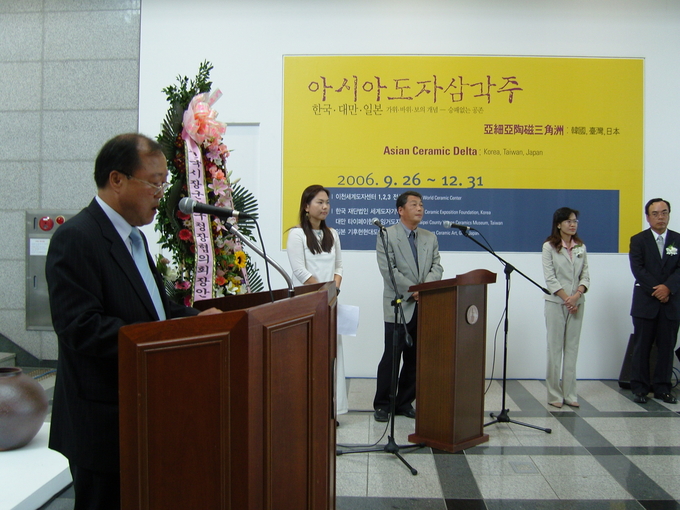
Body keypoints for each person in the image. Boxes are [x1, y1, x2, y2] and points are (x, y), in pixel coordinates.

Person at [45, 133, 221, 509]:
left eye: (164, 184)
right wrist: (172, 334)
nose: (161, 194)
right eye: (154, 183)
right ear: (117, 180)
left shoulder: (134, 239)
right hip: (104, 423)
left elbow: (157, 309)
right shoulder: (76, 238)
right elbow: (82, 328)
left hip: (143, 411)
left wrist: (199, 321)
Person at [373, 191, 443, 422]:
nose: (420, 208)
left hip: (425, 305)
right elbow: (389, 270)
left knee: (416, 359)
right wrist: (414, 290)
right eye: (414, 204)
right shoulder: (387, 235)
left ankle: (404, 402)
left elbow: (437, 267)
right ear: (400, 210)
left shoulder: (430, 237)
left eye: (421, 205)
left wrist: (426, 289)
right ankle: (383, 404)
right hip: (399, 305)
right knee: (392, 357)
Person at [286, 184, 348, 416]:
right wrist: (323, 291)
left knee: (332, 353)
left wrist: (334, 290)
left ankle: (332, 408)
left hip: (329, 301)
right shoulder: (297, 234)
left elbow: (339, 266)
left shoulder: (333, 234)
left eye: (327, 203)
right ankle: (308, 409)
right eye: (319, 202)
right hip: (307, 302)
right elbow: (300, 271)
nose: (325, 207)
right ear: (306, 206)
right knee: (308, 355)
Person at [629, 198, 680, 404]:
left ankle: (663, 388)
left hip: (671, 302)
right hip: (646, 303)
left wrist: (668, 288)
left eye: (664, 213)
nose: (661, 217)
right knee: (642, 347)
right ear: (648, 217)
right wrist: (658, 289)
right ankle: (640, 388)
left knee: (667, 348)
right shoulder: (638, 240)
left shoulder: (677, 239)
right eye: (656, 214)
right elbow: (638, 269)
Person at [542, 207, 590, 408]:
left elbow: (585, 275)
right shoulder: (549, 247)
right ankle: (554, 395)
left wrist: (577, 296)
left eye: (575, 221)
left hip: (577, 304)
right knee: (555, 350)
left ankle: (570, 394)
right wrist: (567, 299)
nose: (573, 224)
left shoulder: (580, 246)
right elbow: (550, 278)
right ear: (559, 224)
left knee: (572, 349)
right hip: (556, 304)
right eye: (569, 221)